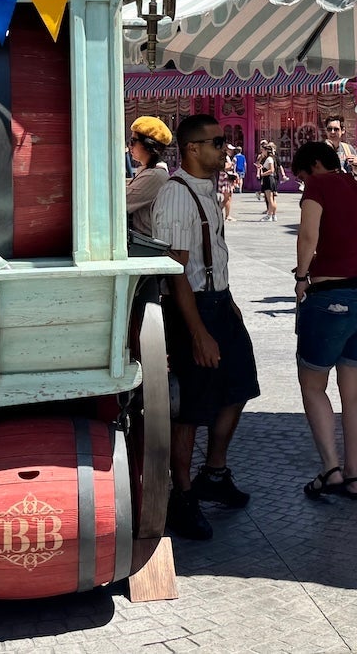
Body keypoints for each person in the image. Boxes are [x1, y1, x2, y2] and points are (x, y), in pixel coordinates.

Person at [151, 114, 261, 541]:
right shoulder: (177, 195)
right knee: (191, 410)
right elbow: (177, 273)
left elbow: (210, 256)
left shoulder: (207, 189)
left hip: (218, 303)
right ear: (192, 148)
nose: (225, 148)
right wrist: (198, 332)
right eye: (217, 142)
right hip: (191, 309)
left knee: (240, 387)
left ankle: (213, 472)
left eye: (225, 141)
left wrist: (228, 303)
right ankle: (181, 497)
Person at [291, 141, 357, 501]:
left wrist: (302, 277)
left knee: (313, 384)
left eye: (301, 177)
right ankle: (354, 476)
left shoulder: (319, 185)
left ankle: (330, 469)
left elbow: (308, 234)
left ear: (314, 165)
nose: (303, 185)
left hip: (330, 298)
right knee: (355, 393)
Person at [125, 116, 173, 237]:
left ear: (148, 145)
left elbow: (121, 203)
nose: (130, 146)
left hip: (146, 243)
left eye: (133, 141)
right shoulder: (151, 172)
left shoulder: (154, 175)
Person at [323, 116, 357, 182]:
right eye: (329, 129)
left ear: (343, 130)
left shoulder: (348, 149)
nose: (332, 132)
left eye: (336, 129)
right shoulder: (319, 150)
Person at [256, 141, 283, 221]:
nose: (262, 152)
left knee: (270, 199)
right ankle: (273, 215)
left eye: (263, 150)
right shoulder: (272, 158)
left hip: (269, 179)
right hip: (271, 179)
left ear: (266, 151)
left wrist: (262, 174)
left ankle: (269, 215)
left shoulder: (269, 159)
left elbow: (271, 170)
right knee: (272, 199)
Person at [219, 151, 239, 221]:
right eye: (230, 149)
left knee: (228, 198)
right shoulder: (225, 157)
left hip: (227, 179)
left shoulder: (227, 157)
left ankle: (225, 214)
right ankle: (225, 215)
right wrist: (232, 163)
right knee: (227, 198)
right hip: (225, 179)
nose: (232, 151)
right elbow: (225, 167)